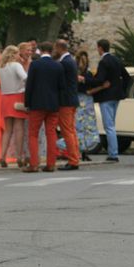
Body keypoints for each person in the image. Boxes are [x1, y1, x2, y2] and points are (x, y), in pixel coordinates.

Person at [83, 39, 130, 162]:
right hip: (116, 96)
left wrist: (85, 79)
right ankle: (112, 151)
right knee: (112, 124)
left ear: (100, 48)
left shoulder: (104, 62)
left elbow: (100, 79)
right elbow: (127, 77)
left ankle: (113, 153)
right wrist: (122, 90)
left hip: (106, 97)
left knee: (109, 126)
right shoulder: (116, 60)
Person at [23, 41, 65, 173]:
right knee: (51, 133)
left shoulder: (35, 65)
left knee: (33, 134)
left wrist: (27, 103)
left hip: (37, 103)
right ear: (52, 50)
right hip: (53, 104)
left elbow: (29, 86)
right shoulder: (58, 66)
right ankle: (51, 164)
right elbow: (62, 87)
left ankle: (34, 164)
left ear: (40, 50)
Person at [0, 45, 28, 167]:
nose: (19, 56)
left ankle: (2, 155)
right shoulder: (16, 65)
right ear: (13, 54)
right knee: (19, 129)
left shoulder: (2, 67)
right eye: (17, 54)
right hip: (17, 97)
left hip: (5, 98)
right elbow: (26, 78)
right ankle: (19, 156)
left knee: (7, 130)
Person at [54, 39, 80, 170]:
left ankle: (73, 160)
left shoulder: (64, 63)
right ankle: (75, 156)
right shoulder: (71, 60)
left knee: (67, 131)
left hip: (65, 101)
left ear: (59, 48)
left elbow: (60, 83)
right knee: (71, 130)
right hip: (72, 99)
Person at [74, 51, 100, 161]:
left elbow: (94, 82)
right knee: (79, 125)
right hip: (80, 99)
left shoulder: (87, 74)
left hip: (86, 101)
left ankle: (85, 150)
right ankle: (79, 150)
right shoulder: (76, 73)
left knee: (87, 126)